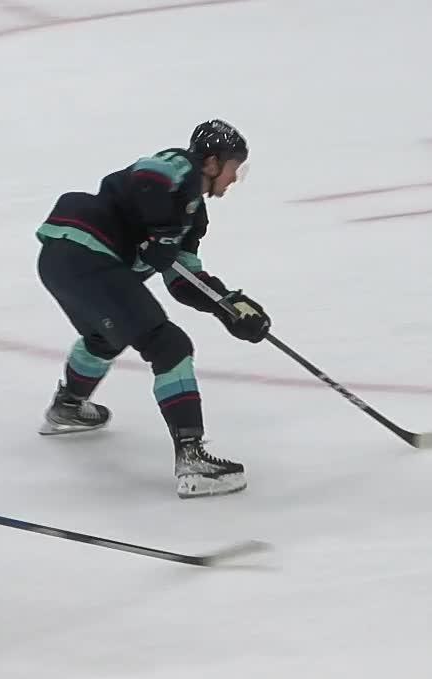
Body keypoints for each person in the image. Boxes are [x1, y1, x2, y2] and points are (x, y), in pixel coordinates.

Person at [34, 119, 270, 499]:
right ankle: (192, 460)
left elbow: (183, 279)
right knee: (169, 346)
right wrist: (162, 234)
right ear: (212, 162)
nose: (233, 179)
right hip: (87, 254)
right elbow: (149, 176)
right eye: (233, 168)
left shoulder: (193, 217)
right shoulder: (181, 168)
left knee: (105, 336)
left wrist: (227, 306)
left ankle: (68, 406)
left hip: (61, 260)